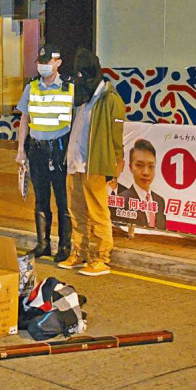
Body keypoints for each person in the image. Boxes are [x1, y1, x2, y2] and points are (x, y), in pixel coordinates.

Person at [59, 48, 125, 276]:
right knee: (76, 212)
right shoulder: (82, 97)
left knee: (97, 212)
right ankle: (80, 252)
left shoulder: (110, 99)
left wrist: (116, 165)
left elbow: (117, 137)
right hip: (74, 164)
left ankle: (101, 258)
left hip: (94, 166)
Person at [16, 44, 74, 263]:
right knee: (41, 198)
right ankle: (43, 244)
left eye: (47, 62)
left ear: (58, 63)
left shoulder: (69, 87)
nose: (43, 67)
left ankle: (65, 245)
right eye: (40, 63)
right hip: (38, 150)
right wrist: (21, 149)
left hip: (60, 150)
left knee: (62, 200)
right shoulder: (32, 87)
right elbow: (24, 119)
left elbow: (76, 120)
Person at [119, 139, 167, 230]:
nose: (146, 172)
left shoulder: (160, 201)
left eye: (151, 166)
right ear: (130, 167)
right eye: (139, 165)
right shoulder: (121, 200)